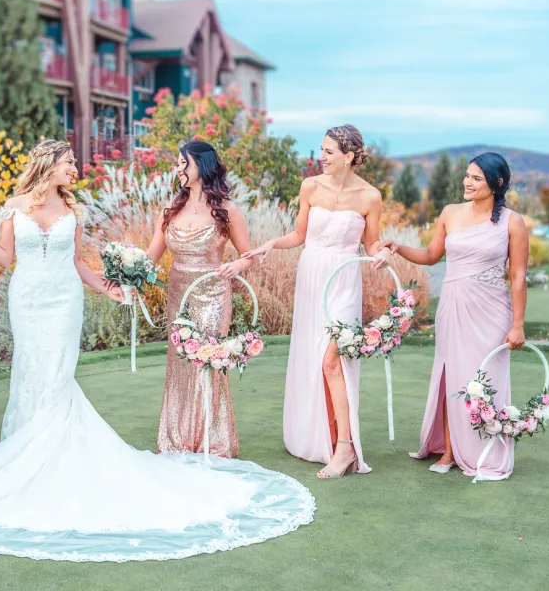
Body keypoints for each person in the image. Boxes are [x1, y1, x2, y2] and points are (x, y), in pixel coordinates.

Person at [0, 140, 315, 562]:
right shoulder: (14, 206)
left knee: (58, 374)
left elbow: (76, 264)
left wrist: (108, 288)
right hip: (27, 300)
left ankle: (52, 456)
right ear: (49, 164)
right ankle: (28, 452)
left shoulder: (72, 212)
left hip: (64, 301)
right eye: (69, 162)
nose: (75, 168)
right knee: (30, 373)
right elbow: (4, 257)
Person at [244, 124, 391, 479]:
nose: (321, 157)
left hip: (344, 280)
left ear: (349, 157)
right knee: (314, 358)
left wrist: (382, 252)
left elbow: (370, 244)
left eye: (328, 152)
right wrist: (271, 244)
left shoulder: (370, 196)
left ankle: (345, 450)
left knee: (332, 361)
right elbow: (299, 234)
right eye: (321, 150)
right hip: (311, 278)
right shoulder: (310, 186)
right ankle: (318, 436)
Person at [384, 152, 527, 480]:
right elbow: (432, 255)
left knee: (484, 376)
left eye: (477, 178)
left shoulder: (512, 222)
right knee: (452, 374)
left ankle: (485, 448)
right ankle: (449, 450)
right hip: (453, 304)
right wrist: (399, 248)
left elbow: (518, 276)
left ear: (497, 183)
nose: (467, 182)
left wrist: (518, 324)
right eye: (467, 176)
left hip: (492, 310)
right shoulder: (449, 213)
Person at [144, 140, 255, 458]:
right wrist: (127, 271)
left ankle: (212, 441)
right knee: (180, 364)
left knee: (206, 362)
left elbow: (248, 255)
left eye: (183, 163)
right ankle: (177, 440)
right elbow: (151, 256)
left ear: (202, 166)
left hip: (213, 294)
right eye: (177, 164)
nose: (178, 169)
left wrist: (236, 265)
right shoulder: (170, 211)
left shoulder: (227, 210)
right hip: (179, 295)